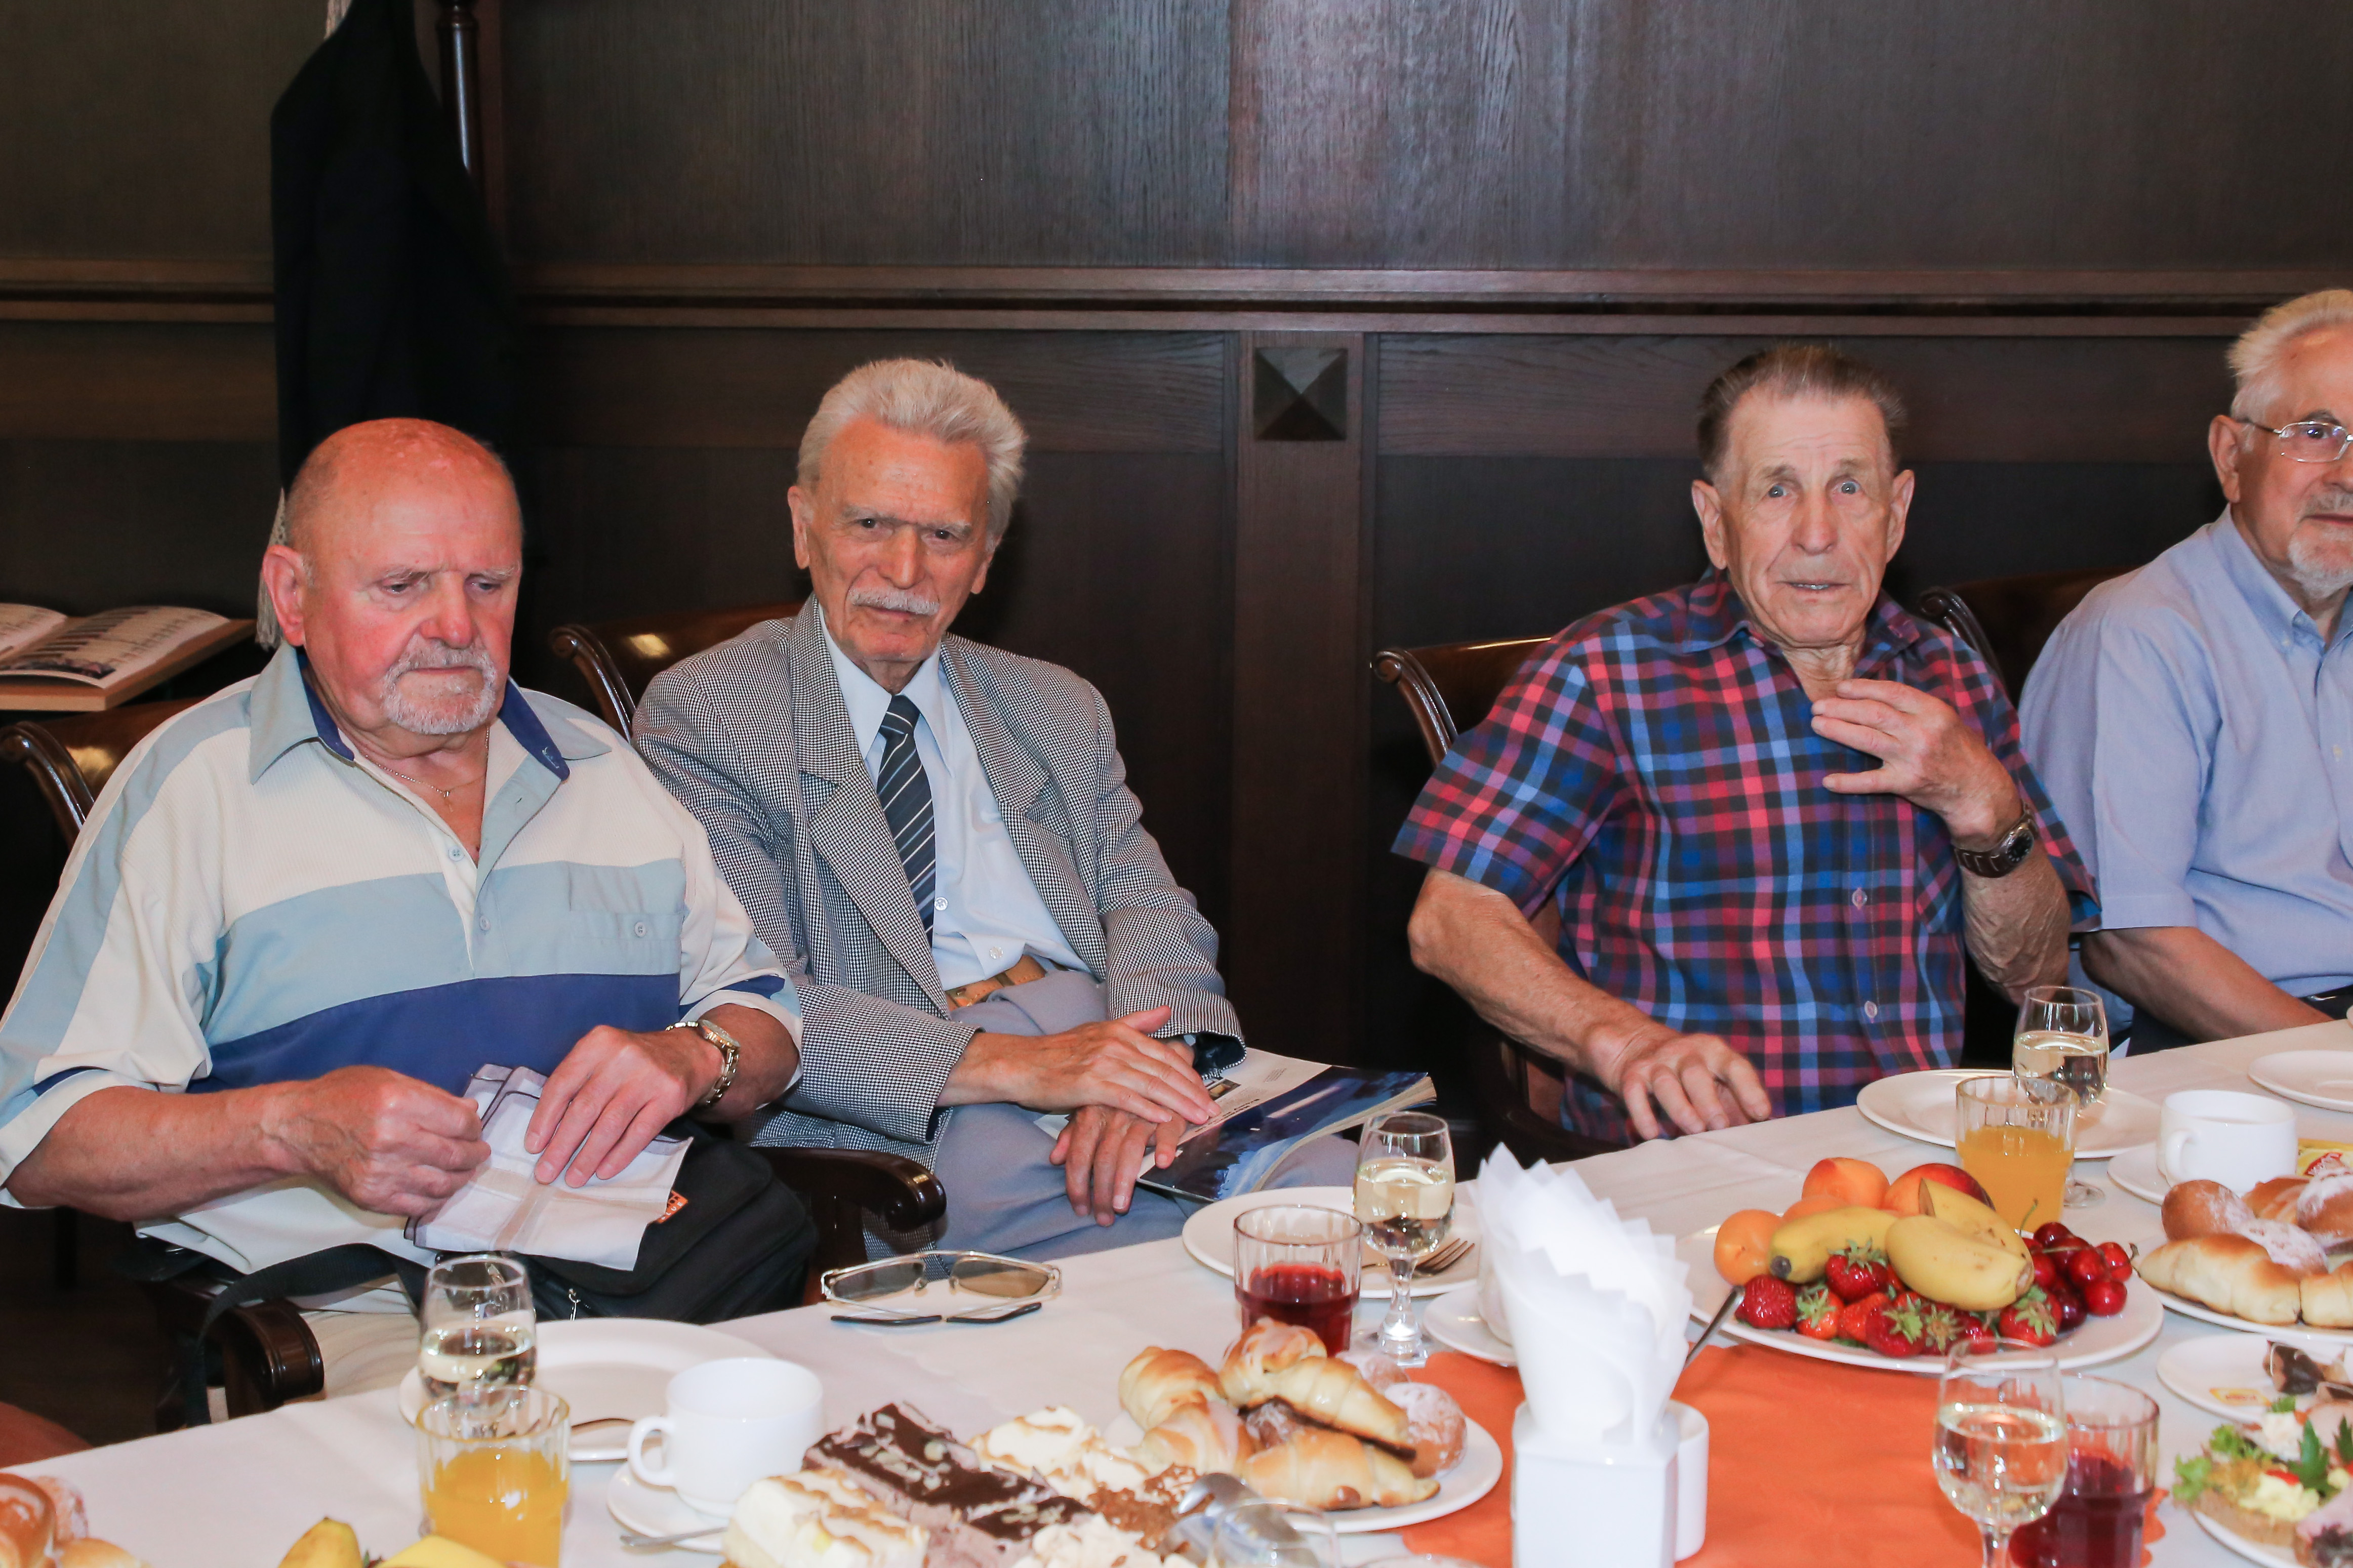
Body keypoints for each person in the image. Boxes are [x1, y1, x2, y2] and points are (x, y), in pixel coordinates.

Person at [0, 419, 807, 1396]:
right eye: (402, 585)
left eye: (487, 583)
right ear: (292, 594)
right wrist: (290, 1127)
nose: (457, 626)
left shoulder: (601, 765)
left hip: (653, 1286)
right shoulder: (194, 792)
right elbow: (35, 1133)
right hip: (356, 1320)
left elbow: (768, 1023)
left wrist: (693, 1056)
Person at [635, 358, 1348, 1258]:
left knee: (1344, 1197)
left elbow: (1149, 905)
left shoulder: (1055, 704)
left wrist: (1151, 1066)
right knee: (1189, 1254)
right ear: (803, 524)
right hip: (917, 1105)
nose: (904, 569)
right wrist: (1030, 1066)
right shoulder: (709, 716)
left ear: (985, 559)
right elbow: (758, 1001)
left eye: (944, 534)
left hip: (1110, 1036)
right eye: (869, 523)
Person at [1395, 345, 2095, 1144]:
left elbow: (2036, 976)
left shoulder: (1952, 675)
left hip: (1913, 1160)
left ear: (1896, 513)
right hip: (1695, 1169)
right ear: (1715, 520)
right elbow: (1449, 920)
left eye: (1850, 487)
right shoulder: (1610, 672)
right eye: (1776, 490)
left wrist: (1987, 808)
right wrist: (1626, 1047)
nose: (1818, 534)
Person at [2022, 291, 2353, 1050]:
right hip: (2217, 1051)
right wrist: (2336, 1065)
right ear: (2232, 456)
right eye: (2316, 433)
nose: (2348, 472)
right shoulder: (2140, 635)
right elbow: (2132, 946)